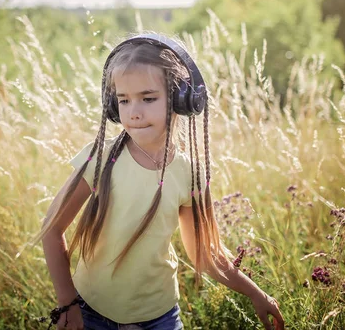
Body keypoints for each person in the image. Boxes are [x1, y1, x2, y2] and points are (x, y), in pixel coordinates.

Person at [37, 34, 284, 330]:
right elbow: (52, 230)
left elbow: (205, 254)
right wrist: (67, 304)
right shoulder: (100, 159)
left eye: (148, 98)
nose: (135, 111)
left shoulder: (190, 174)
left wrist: (256, 294)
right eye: (124, 100)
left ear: (181, 98)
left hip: (160, 318)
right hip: (92, 313)